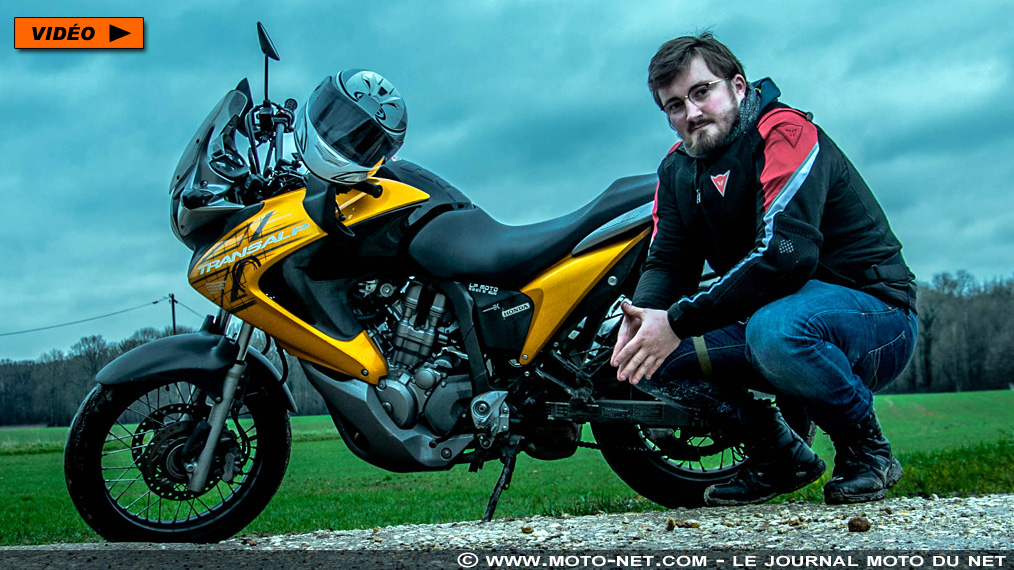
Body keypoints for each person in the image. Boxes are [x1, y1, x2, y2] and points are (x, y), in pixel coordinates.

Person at [610, 33, 918, 506]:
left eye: (701, 92)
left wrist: (677, 321)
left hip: (874, 317)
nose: (691, 113)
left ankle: (867, 451)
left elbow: (786, 257)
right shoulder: (675, 170)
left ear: (737, 85)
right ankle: (778, 453)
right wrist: (646, 321)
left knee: (776, 331)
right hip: (769, 322)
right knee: (642, 361)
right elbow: (669, 261)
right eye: (674, 105)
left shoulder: (787, 133)